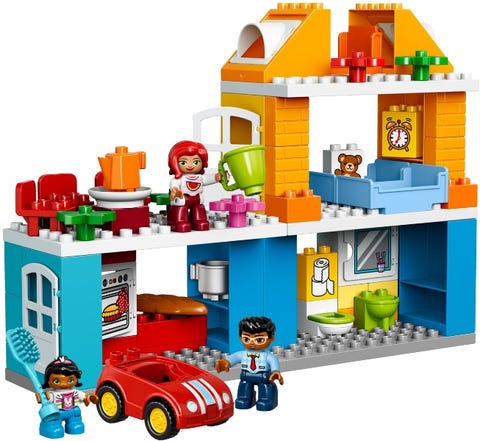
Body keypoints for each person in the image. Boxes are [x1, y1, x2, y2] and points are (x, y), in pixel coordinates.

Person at [215, 316, 284, 411]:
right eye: (246, 339)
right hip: (246, 375)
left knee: (265, 387)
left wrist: (275, 372)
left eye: (259, 340)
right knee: (244, 386)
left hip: (263, 376)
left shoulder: (268, 356)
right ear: (240, 337)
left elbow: (273, 362)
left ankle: (266, 400)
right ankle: (244, 398)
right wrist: (226, 362)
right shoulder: (242, 354)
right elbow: (234, 358)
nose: (252, 343)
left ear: (271, 338)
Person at [167, 140, 222, 232]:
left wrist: (216, 177)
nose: (190, 166)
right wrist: (175, 191)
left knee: (199, 208)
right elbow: (174, 185)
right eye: (183, 163)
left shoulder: (199, 177)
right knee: (181, 208)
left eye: (196, 162)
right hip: (182, 199)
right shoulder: (177, 179)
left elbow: (207, 179)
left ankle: (199, 220)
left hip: (197, 199)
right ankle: (179, 221)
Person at [37, 356, 98, 438]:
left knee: (76, 423)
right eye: (57, 381)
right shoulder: (53, 394)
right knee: (53, 423)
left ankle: (74, 424)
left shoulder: (75, 392)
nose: (64, 384)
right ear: (48, 381)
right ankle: (50, 427)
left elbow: (84, 397)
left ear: (76, 379)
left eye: (70, 380)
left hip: (73, 412)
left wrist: (88, 398)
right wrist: (42, 397)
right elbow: (46, 399)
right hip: (57, 413)